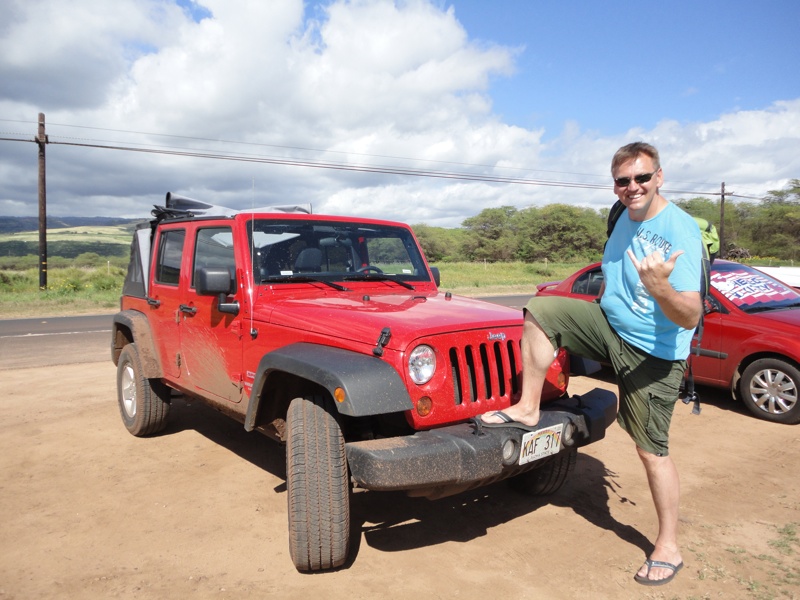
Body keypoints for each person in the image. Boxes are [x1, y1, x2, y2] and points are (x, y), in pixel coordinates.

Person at [480, 142, 703, 587]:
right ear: (615, 183)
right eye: (623, 180)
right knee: (544, 308)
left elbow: (691, 315)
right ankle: (527, 407)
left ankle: (669, 547)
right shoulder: (621, 215)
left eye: (642, 178)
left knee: (650, 450)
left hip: (653, 353)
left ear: (660, 176)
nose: (633, 187)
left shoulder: (680, 231)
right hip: (611, 329)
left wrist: (661, 290)